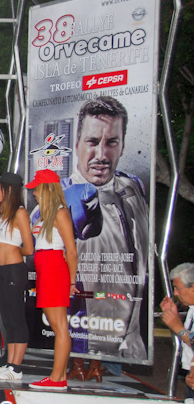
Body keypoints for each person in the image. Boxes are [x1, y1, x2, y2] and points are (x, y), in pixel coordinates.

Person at [63, 95, 149, 359]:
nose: (101, 155)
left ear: (122, 146)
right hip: (82, 339)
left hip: (126, 343)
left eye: (111, 142)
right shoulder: (58, 200)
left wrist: (134, 332)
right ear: (77, 145)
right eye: (92, 142)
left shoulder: (132, 190)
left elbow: (143, 264)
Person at [25, 169, 79, 390]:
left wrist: (72, 282)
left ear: (47, 189)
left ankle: (57, 379)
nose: (34, 193)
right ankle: (59, 376)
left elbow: (72, 251)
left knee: (59, 326)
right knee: (57, 325)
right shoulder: (47, 214)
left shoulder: (60, 213)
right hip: (46, 269)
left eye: (37, 189)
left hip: (54, 269)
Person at [0, 172, 34, 381]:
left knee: (16, 318)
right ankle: (9, 363)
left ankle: (16, 367)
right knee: (6, 318)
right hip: (2, 271)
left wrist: (12, 252)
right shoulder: (4, 213)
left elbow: (28, 248)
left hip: (14, 269)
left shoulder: (20, 212)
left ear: (9, 189)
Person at [161, 262, 194, 399]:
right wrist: (175, 317)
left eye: (178, 288)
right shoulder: (191, 309)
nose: (175, 293)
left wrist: (177, 327)